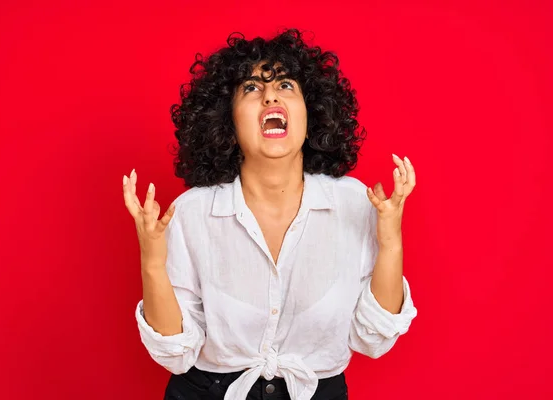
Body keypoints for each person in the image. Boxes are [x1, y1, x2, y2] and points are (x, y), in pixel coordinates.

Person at [122, 28, 418, 400]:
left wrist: (390, 241)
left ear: (313, 114)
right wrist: (152, 258)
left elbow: (373, 337)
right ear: (227, 124)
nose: (270, 95)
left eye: (286, 85)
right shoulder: (192, 211)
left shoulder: (354, 202)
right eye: (250, 88)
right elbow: (176, 355)